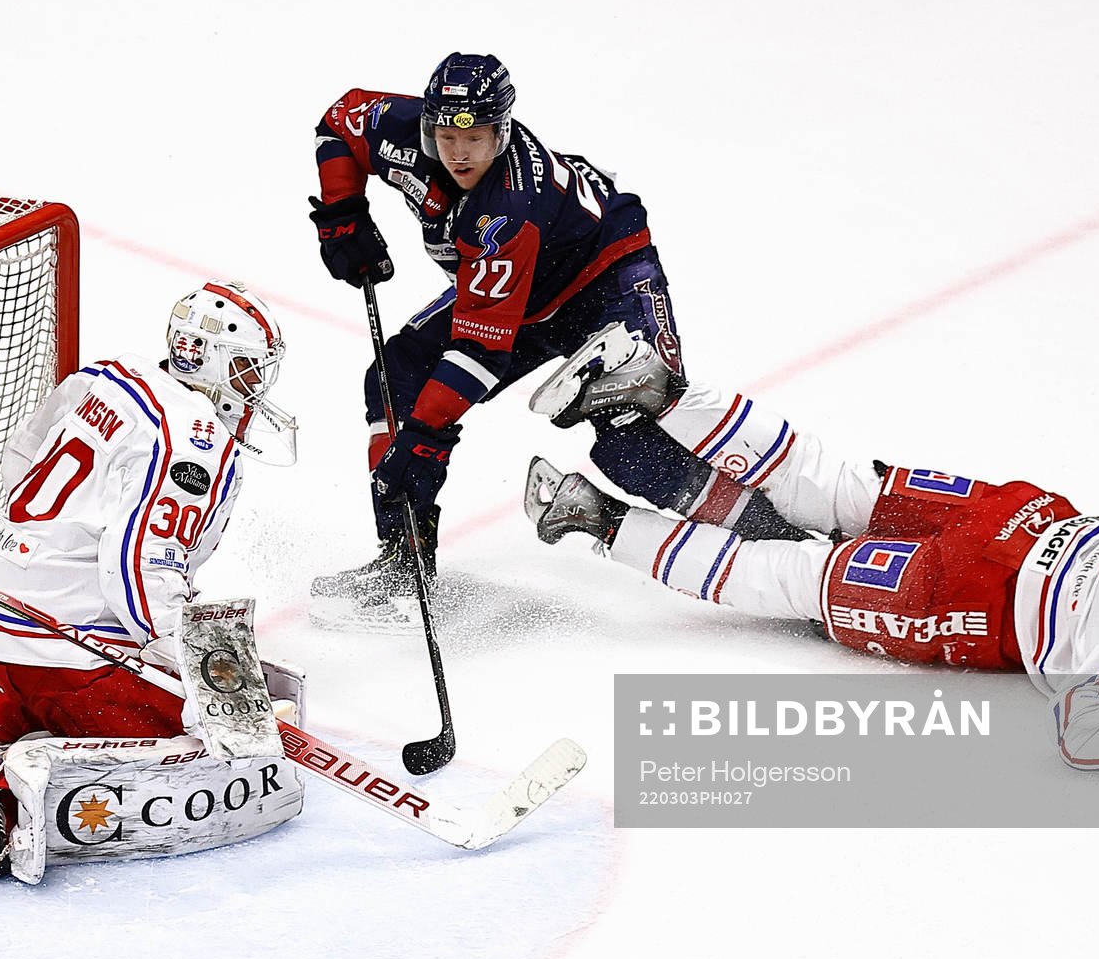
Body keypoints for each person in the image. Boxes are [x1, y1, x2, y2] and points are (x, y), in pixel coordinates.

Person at [523, 382, 1099, 789]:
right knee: (792, 578)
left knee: (829, 484)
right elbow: (1080, 729)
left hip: (1023, 515)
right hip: (968, 598)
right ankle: (596, 519)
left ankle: (658, 387)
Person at [305, 52, 803, 629]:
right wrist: (341, 214)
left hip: (607, 282)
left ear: (504, 129)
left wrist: (418, 439)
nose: (458, 153)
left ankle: (778, 541)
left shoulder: (507, 209)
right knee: (397, 379)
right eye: (445, 135)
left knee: (635, 444)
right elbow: (339, 121)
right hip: (522, 291)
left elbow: (479, 353)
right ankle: (404, 565)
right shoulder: (407, 131)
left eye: (477, 138)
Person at [0, 281, 305, 880]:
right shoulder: (197, 439)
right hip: (58, 645)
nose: (255, 386)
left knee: (152, 682)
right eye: (250, 368)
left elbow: (21, 454)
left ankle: (12, 707)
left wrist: (43, 558)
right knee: (191, 737)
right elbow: (142, 568)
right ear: (209, 359)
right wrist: (192, 668)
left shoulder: (106, 378)